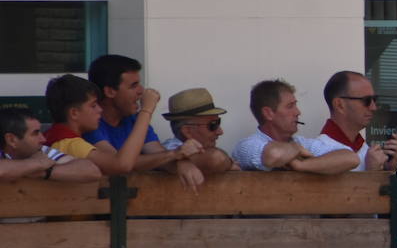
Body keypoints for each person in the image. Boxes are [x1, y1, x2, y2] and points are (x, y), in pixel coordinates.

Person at [85, 54, 206, 188]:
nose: (141, 91)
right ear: (110, 91)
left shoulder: (134, 120)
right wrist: (146, 110)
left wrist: (182, 161)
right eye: (133, 85)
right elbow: (120, 164)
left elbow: (159, 156)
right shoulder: (90, 124)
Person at [231, 79, 359, 173]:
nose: (298, 112)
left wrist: (301, 165)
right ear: (268, 113)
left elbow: (351, 158)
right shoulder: (247, 145)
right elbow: (274, 155)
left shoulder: (303, 143)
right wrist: (297, 150)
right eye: (290, 106)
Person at [315, 71, 397, 171]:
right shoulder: (320, 152)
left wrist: (390, 169)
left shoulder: (364, 149)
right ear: (340, 105)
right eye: (366, 100)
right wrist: (371, 173)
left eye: (374, 99)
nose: (373, 107)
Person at [0, 108, 100, 182]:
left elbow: (92, 171)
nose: (43, 139)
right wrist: (36, 163)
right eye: (35, 133)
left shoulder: (42, 151)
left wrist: (45, 172)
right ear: (11, 140)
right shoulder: (40, 158)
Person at [161, 88, 237, 173]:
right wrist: (229, 163)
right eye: (213, 124)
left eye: (218, 122)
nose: (220, 131)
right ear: (187, 131)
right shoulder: (169, 149)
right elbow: (216, 158)